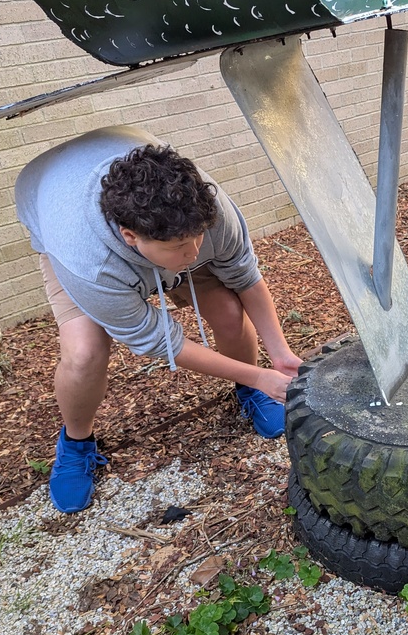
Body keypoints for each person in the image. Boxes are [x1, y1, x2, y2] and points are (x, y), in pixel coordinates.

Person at [15, 125, 303, 514]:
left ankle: (248, 389)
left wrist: (279, 354)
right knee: (84, 352)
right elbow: (157, 339)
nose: (196, 250)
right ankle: (77, 442)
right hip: (50, 192)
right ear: (130, 235)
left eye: (199, 236)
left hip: (125, 161)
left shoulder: (208, 215)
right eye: (181, 245)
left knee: (230, 311)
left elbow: (245, 277)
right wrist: (260, 374)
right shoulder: (90, 262)